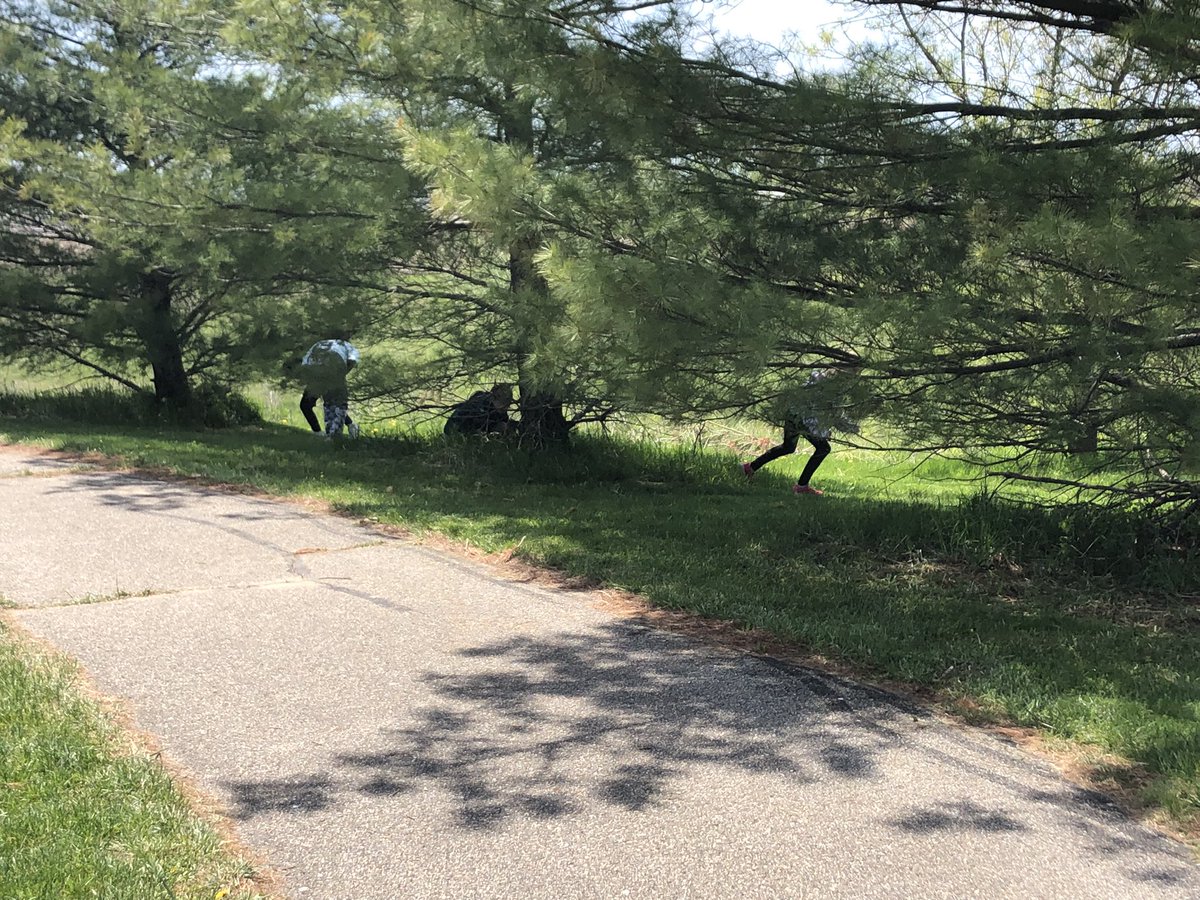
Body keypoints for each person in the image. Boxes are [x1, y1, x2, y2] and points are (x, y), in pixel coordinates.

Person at [741, 368, 859, 495]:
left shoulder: (821, 376)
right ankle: (802, 486)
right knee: (823, 448)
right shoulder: (834, 387)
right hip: (802, 418)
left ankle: (750, 468)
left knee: (788, 447)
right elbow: (833, 412)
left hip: (793, 413)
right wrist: (852, 428)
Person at [299, 338, 361, 438]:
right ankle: (347, 427)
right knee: (332, 404)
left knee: (328, 404)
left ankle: (328, 434)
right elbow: (352, 361)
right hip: (324, 373)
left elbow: (306, 365)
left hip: (329, 372)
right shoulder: (344, 345)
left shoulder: (318, 345)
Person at [444, 383, 514, 435]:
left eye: (507, 404)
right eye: (503, 403)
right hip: (457, 430)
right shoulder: (480, 406)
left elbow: (504, 421)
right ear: (493, 398)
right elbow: (477, 424)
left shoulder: (499, 411)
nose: (506, 408)